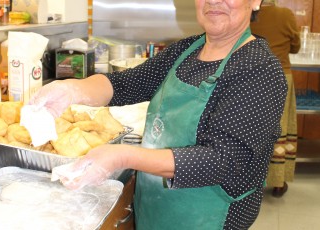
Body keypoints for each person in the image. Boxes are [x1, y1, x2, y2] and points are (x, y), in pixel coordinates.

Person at [30, 0, 287, 229]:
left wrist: (122, 156)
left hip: (211, 217)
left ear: (255, 2)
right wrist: (72, 89)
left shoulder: (259, 70)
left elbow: (223, 160)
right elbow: (128, 84)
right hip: (156, 206)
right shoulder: (187, 50)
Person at [250, 0, 300, 198]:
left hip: (252, 76)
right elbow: (295, 46)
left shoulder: (246, 14)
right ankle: (278, 182)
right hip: (281, 75)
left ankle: (251, 180)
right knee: (282, 127)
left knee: (253, 126)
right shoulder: (285, 15)